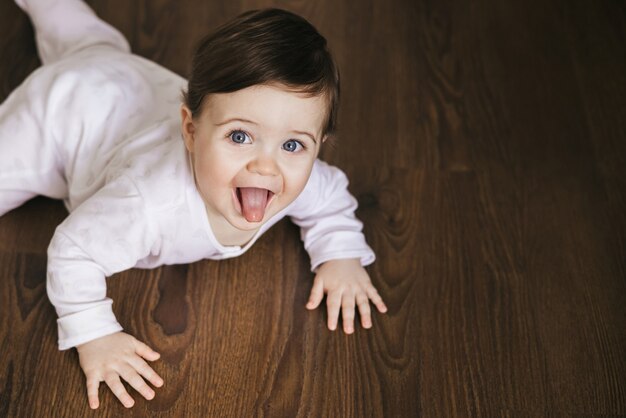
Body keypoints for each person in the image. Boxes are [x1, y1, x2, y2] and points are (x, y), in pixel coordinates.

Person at [1, 0, 388, 409]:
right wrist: (95, 335)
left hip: (126, 82)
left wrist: (341, 254)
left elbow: (331, 198)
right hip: (61, 114)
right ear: (190, 130)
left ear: (318, 147)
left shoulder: (300, 180)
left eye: (293, 144)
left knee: (86, 41)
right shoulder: (146, 202)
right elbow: (74, 251)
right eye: (240, 136)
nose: (265, 165)